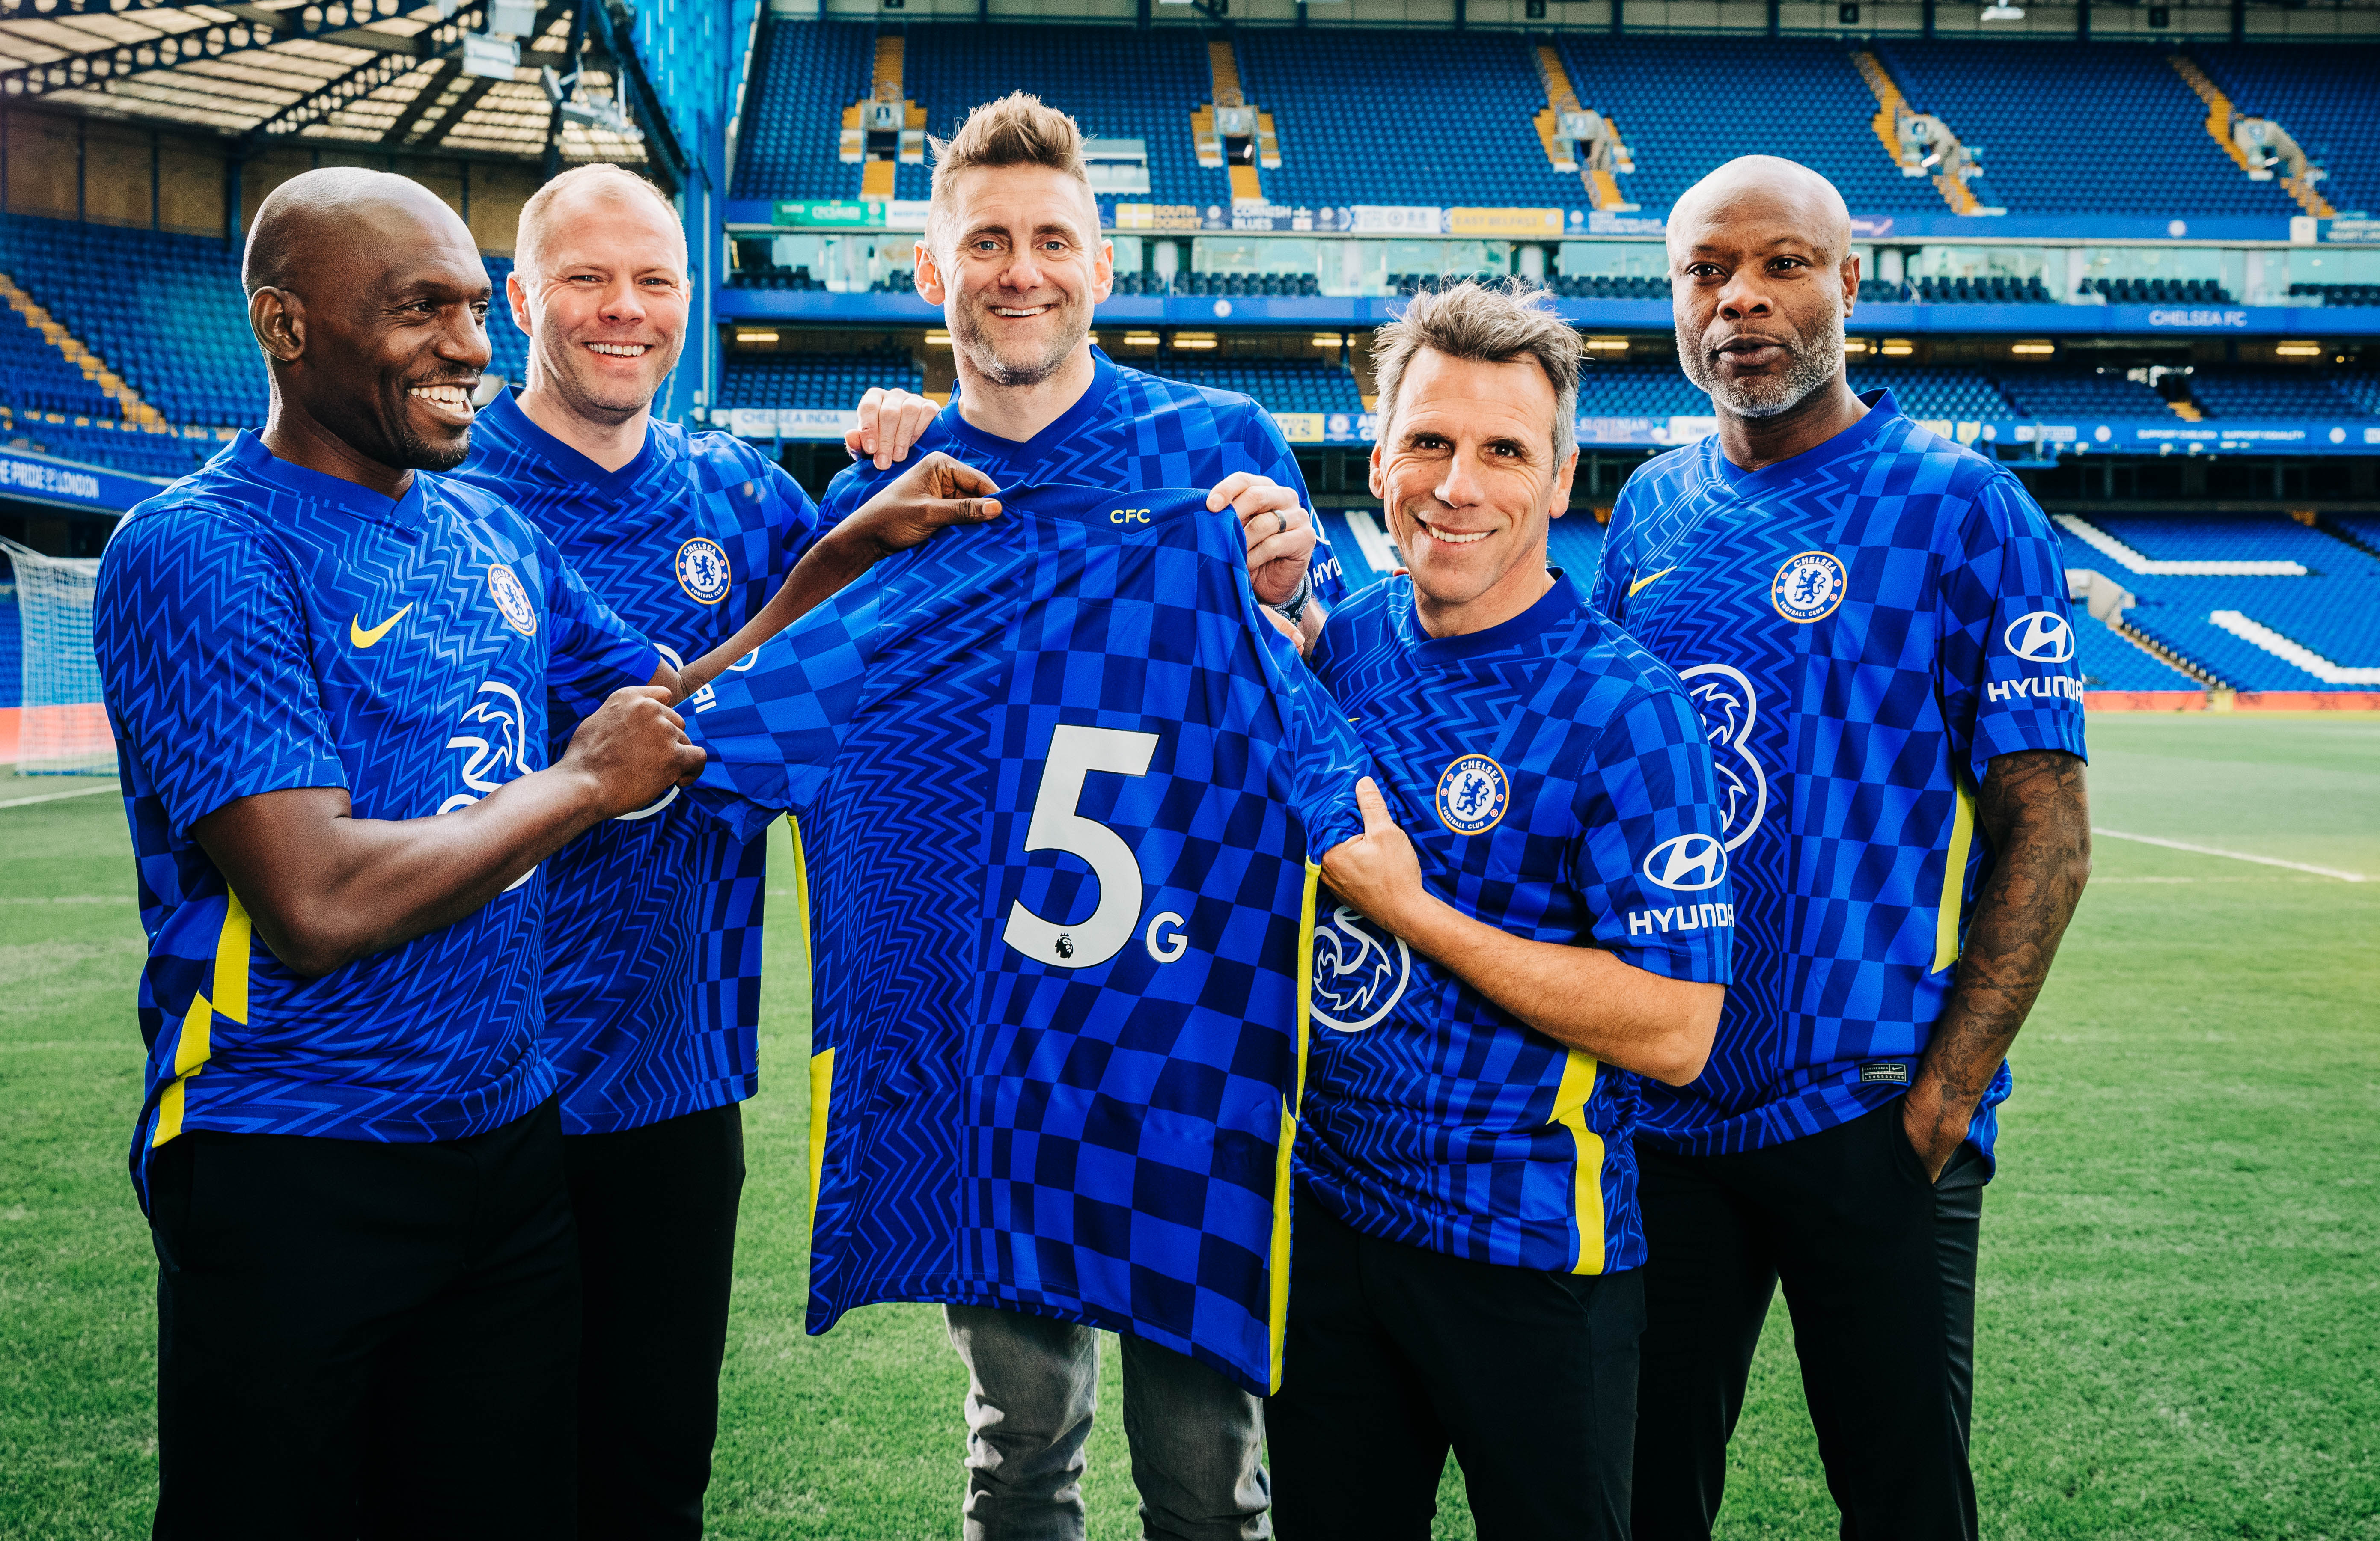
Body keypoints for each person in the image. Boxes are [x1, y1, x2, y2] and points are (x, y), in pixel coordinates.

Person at [93, 168, 704, 1540]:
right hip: (289, 1151)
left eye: (475, 309)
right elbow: (313, 897)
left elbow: (667, 701)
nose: (469, 347)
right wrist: (582, 785)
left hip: (506, 1140)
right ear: (286, 325)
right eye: (418, 310)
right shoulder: (203, 548)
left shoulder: (492, 531)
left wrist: (855, 542)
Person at [823, 91, 1347, 1541]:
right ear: (932, 273)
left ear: (1101, 265)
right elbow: (803, 717)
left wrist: (1297, 587)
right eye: (984, 241)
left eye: (1053, 239)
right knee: (1019, 1447)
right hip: (991, 1043)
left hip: (1187, 1031)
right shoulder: (890, 486)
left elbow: (1335, 669)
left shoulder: (1216, 445)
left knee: (1204, 1474)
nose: (1020, 270)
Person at [1595, 156, 2092, 1541]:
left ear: (1848, 282)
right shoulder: (1646, 510)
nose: (1740, 298)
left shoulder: (1958, 505)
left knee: (1902, 1501)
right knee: (1636, 1494)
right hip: (1663, 1114)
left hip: (1867, 1111)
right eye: (1705, 271)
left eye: (1780, 264)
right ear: (1673, 297)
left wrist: (1942, 1095)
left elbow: (2044, 826)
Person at [446, 163, 939, 1538]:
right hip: (476, 1076)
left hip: (675, 1083)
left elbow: (884, 590)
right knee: (471, 1470)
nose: (624, 309)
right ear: (522, 296)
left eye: (655, 278)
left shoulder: (745, 495)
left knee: (653, 1472)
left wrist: (909, 437)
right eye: (588, 278)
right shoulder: (448, 494)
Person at [1262, 282, 1732, 1540]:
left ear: (1562, 479)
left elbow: (1678, 1027)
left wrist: (1418, 913)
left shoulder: (1621, 708)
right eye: (1426, 440)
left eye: (1500, 450)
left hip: (1530, 1253)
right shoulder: (1348, 642)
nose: (1455, 484)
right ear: (1377, 459)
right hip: (1331, 1233)